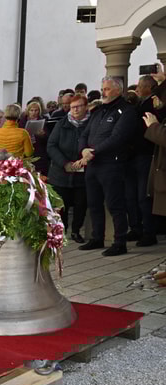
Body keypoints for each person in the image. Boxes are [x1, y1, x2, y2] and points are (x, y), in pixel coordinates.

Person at [78, 77, 140, 256]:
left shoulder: (126, 111)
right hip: (93, 164)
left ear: (118, 90)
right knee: (94, 203)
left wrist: (94, 151)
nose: (103, 92)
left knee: (115, 204)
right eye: (102, 88)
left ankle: (120, 242)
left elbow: (118, 137)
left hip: (111, 164)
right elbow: (85, 133)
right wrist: (83, 150)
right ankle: (97, 237)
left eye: (107, 89)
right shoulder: (98, 111)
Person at [126, 75, 166, 246]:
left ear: (148, 88)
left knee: (144, 196)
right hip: (135, 155)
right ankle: (138, 228)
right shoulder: (141, 103)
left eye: (140, 86)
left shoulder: (153, 106)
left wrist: (153, 126)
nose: (137, 90)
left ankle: (149, 232)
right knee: (133, 195)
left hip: (147, 155)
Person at [47, 94, 90, 243]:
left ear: (86, 107)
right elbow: (51, 146)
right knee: (62, 204)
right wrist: (64, 163)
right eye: (72, 107)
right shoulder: (62, 123)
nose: (75, 110)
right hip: (61, 172)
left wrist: (84, 160)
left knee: (80, 204)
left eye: (78, 106)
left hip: (83, 171)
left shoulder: (91, 123)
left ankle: (76, 230)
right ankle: (62, 229)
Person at [20, 100, 50, 174]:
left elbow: (48, 137)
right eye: (31, 110)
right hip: (26, 150)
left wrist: (43, 135)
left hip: (39, 150)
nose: (34, 112)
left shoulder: (43, 120)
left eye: (36, 110)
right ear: (28, 111)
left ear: (39, 111)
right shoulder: (22, 121)